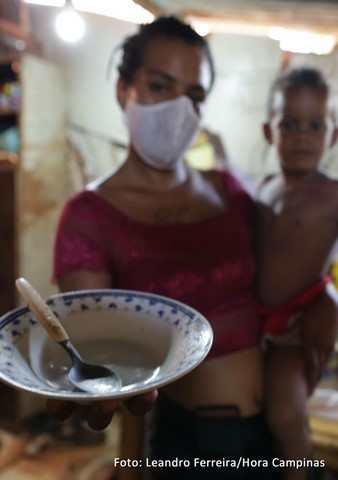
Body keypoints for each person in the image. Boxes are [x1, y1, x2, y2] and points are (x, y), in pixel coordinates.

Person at [47, 19, 331, 480]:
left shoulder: (229, 191)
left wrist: (326, 298)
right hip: (194, 446)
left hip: (275, 429)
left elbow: (291, 260)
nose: (179, 108)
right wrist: (85, 389)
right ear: (124, 90)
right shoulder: (89, 217)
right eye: (160, 86)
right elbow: (89, 354)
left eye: (194, 96)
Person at [255, 67, 338, 480]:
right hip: (250, 323)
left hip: (294, 328)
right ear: (269, 132)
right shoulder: (263, 187)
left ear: (332, 136)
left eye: (314, 125)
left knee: (286, 415)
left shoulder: (332, 196)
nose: (302, 136)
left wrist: (333, 297)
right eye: (289, 124)